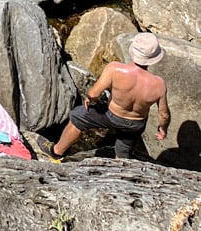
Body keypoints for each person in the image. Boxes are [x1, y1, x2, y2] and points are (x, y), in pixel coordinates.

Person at [38, 32, 170, 162]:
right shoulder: (159, 84)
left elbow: (94, 93)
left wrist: (90, 98)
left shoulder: (115, 69)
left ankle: (56, 152)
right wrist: (162, 129)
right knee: (124, 148)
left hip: (111, 114)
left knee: (78, 116)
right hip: (135, 123)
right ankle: (119, 169)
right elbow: (163, 115)